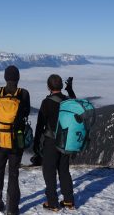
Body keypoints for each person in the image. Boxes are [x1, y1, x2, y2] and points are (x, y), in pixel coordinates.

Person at [0, 65, 30, 215]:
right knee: (13, 173)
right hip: (15, 141)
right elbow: (26, 113)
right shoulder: (23, 93)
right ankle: (12, 209)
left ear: (5, 78)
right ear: (18, 78)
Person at [33, 75, 76, 211]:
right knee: (63, 169)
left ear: (48, 87)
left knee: (49, 171)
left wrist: (36, 144)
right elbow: (75, 104)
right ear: (61, 87)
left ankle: (52, 202)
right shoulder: (67, 101)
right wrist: (70, 90)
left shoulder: (46, 103)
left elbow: (40, 125)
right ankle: (68, 200)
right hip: (65, 141)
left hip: (51, 142)